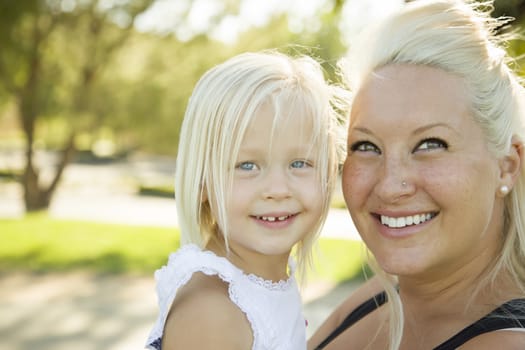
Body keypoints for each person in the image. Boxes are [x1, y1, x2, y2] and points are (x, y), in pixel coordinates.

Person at [308, 0, 525, 349]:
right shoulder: (383, 294)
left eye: (430, 143)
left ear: (507, 165)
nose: (391, 186)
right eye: (366, 146)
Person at [145, 51, 347, 350]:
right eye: (247, 166)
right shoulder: (213, 313)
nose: (278, 189)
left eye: (300, 163)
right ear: (202, 181)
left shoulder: (256, 284)